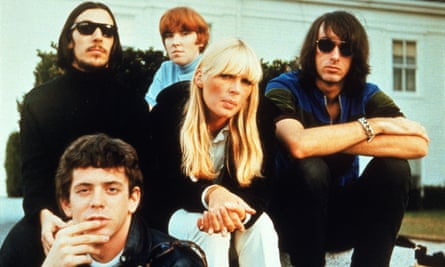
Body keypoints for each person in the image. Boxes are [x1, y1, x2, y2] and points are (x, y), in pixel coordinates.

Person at [264, 11, 429, 267]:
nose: (335, 56)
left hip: (341, 220)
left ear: (356, 56)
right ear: (312, 48)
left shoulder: (367, 94)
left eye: (346, 48)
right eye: (326, 45)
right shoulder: (283, 87)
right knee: (311, 167)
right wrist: (373, 125)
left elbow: (418, 143)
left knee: (395, 168)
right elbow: (298, 145)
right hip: (290, 221)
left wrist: (325, 139)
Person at [0, 2, 150, 266]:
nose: (98, 36)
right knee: (19, 246)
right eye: (86, 28)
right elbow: (34, 175)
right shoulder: (39, 101)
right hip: (59, 212)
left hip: (119, 213)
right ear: (69, 40)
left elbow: (144, 174)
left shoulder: (133, 104)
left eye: (107, 31)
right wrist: (44, 216)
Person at [144, 38, 281, 267]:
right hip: (171, 213)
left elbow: (260, 191)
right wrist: (212, 194)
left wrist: (229, 212)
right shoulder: (169, 112)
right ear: (199, 77)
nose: (235, 89)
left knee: (262, 227)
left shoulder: (259, 120)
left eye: (245, 81)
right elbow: (164, 187)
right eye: (226, 76)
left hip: (227, 214)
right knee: (212, 232)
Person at [42, 133, 207, 267]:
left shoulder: (175, 262)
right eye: (84, 190)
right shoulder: (55, 256)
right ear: (66, 204)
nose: (97, 202)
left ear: (133, 199)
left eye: (112, 190)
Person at [144, 6, 209, 108]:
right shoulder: (166, 69)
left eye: (185, 34)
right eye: (169, 35)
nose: (175, 42)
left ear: (200, 40)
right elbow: (150, 106)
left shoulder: (212, 70)